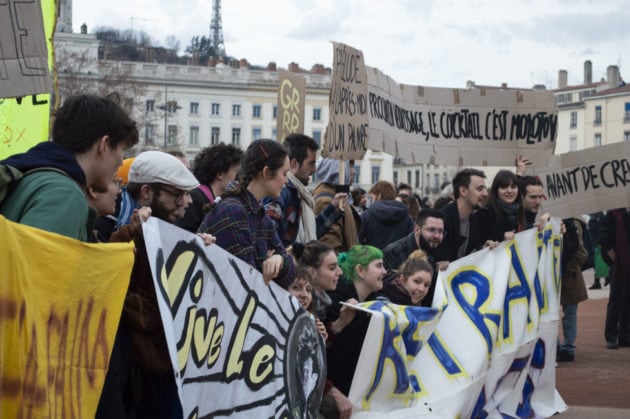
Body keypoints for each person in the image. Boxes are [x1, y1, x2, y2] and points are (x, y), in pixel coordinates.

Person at [99, 150, 206, 418]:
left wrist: (200, 256)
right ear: (147, 192)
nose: (185, 203)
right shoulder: (118, 231)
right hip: (130, 372)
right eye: (176, 194)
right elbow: (113, 286)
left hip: (157, 370)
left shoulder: (169, 233)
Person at [0, 94, 138, 241]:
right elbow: (40, 262)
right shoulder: (65, 195)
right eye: (122, 150)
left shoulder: (35, 173)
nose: (120, 163)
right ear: (104, 145)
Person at [198, 139, 296, 287]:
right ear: (267, 172)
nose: (287, 181)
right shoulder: (233, 211)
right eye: (284, 173)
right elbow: (248, 281)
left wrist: (280, 261)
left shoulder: (258, 212)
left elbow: (290, 275)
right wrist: (271, 266)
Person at [322, 245, 386, 418]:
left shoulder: (375, 304)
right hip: (329, 389)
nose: (385, 271)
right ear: (360, 270)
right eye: (379, 266)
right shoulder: (334, 300)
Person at [293, 241, 351, 418]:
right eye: (332, 268)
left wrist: (338, 326)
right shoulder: (298, 307)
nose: (339, 273)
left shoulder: (321, 305)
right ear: (312, 273)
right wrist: (331, 391)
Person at [265, 134, 342, 248]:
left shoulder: (299, 193)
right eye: (311, 163)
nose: (314, 169)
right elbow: (267, 230)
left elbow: (311, 232)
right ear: (294, 164)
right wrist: (282, 256)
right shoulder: (283, 191)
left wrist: (333, 208)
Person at [382, 208, 450, 305]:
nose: (436, 236)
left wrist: (440, 274)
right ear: (417, 229)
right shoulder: (394, 252)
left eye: (440, 231)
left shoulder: (437, 250)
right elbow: (384, 289)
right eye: (431, 230)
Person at [177, 143, 243, 232]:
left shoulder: (223, 200)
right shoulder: (194, 199)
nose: (238, 178)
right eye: (236, 172)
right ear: (220, 174)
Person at [441, 168, 495, 262]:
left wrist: (482, 249)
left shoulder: (473, 220)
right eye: (480, 189)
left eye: (485, 189)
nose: (485, 194)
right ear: (463, 191)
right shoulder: (442, 219)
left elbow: (466, 257)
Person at [557, 217, 588, 362]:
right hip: (553, 276)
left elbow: (581, 253)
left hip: (570, 276)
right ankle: (556, 347)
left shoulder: (574, 224)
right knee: (550, 315)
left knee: (570, 313)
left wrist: (567, 269)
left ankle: (568, 347)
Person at [599, 208, 630, 349]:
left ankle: (625, 334)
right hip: (619, 265)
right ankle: (611, 335)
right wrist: (616, 261)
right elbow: (604, 241)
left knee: (628, 299)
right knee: (616, 299)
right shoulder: (613, 214)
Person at [312, 158, 358, 253]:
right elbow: (331, 247)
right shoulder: (326, 201)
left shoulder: (338, 196)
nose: (354, 171)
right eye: (350, 166)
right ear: (336, 169)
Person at [359, 180, 414, 250]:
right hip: (399, 259)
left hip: (373, 259)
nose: (370, 201)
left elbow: (358, 243)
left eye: (372, 198)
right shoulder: (406, 216)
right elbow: (411, 243)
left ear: (379, 196)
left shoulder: (366, 215)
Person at [482, 169, 526, 242]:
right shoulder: (486, 212)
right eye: (504, 187)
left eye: (513, 187)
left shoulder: (519, 210)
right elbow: (479, 242)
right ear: (496, 190)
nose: (509, 191)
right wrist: (501, 237)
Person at [87, 176, 122, 242]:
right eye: (113, 181)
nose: (119, 191)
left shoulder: (89, 229)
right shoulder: (100, 225)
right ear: (93, 190)